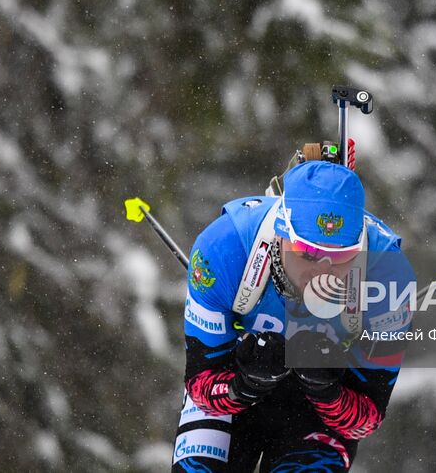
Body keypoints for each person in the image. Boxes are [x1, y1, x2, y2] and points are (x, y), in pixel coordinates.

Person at [171, 159, 415, 472]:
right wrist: (244, 385)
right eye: (308, 253)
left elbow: (366, 420)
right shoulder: (222, 249)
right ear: (281, 235)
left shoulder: (388, 278)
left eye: (342, 257)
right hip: (230, 391)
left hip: (316, 415)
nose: (324, 271)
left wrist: (325, 389)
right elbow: (200, 386)